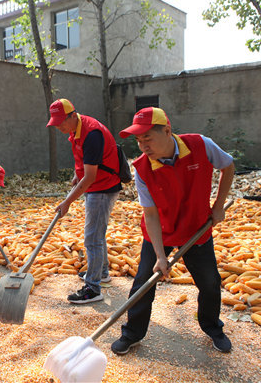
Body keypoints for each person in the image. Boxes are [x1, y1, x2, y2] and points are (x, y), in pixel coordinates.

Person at [112, 107, 235, 355]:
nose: (143, 145)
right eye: (138, 140)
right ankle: (132, 333)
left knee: (210, 283)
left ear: (167, 131)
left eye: (148, 138)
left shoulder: (201, 145)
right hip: (162, 230)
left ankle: (212, 327)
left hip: (196, 227)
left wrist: (219, 205)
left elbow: (228, 165)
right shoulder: (143, 169)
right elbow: (151, 214)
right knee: (143, 284)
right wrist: (160, 256)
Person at [47, 99, 122, 304]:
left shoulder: (92, 134)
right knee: (97, 233)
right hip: (96, 184)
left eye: (61, 122)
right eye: (55, 123)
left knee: (92, 238)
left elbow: (90, 177)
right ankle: (102, 271)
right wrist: (76, 173)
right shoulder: (76, 130)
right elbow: (83, 160)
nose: (59, 127)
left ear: (73, 115)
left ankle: (93, 288)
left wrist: (67, 202)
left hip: (102, 187)